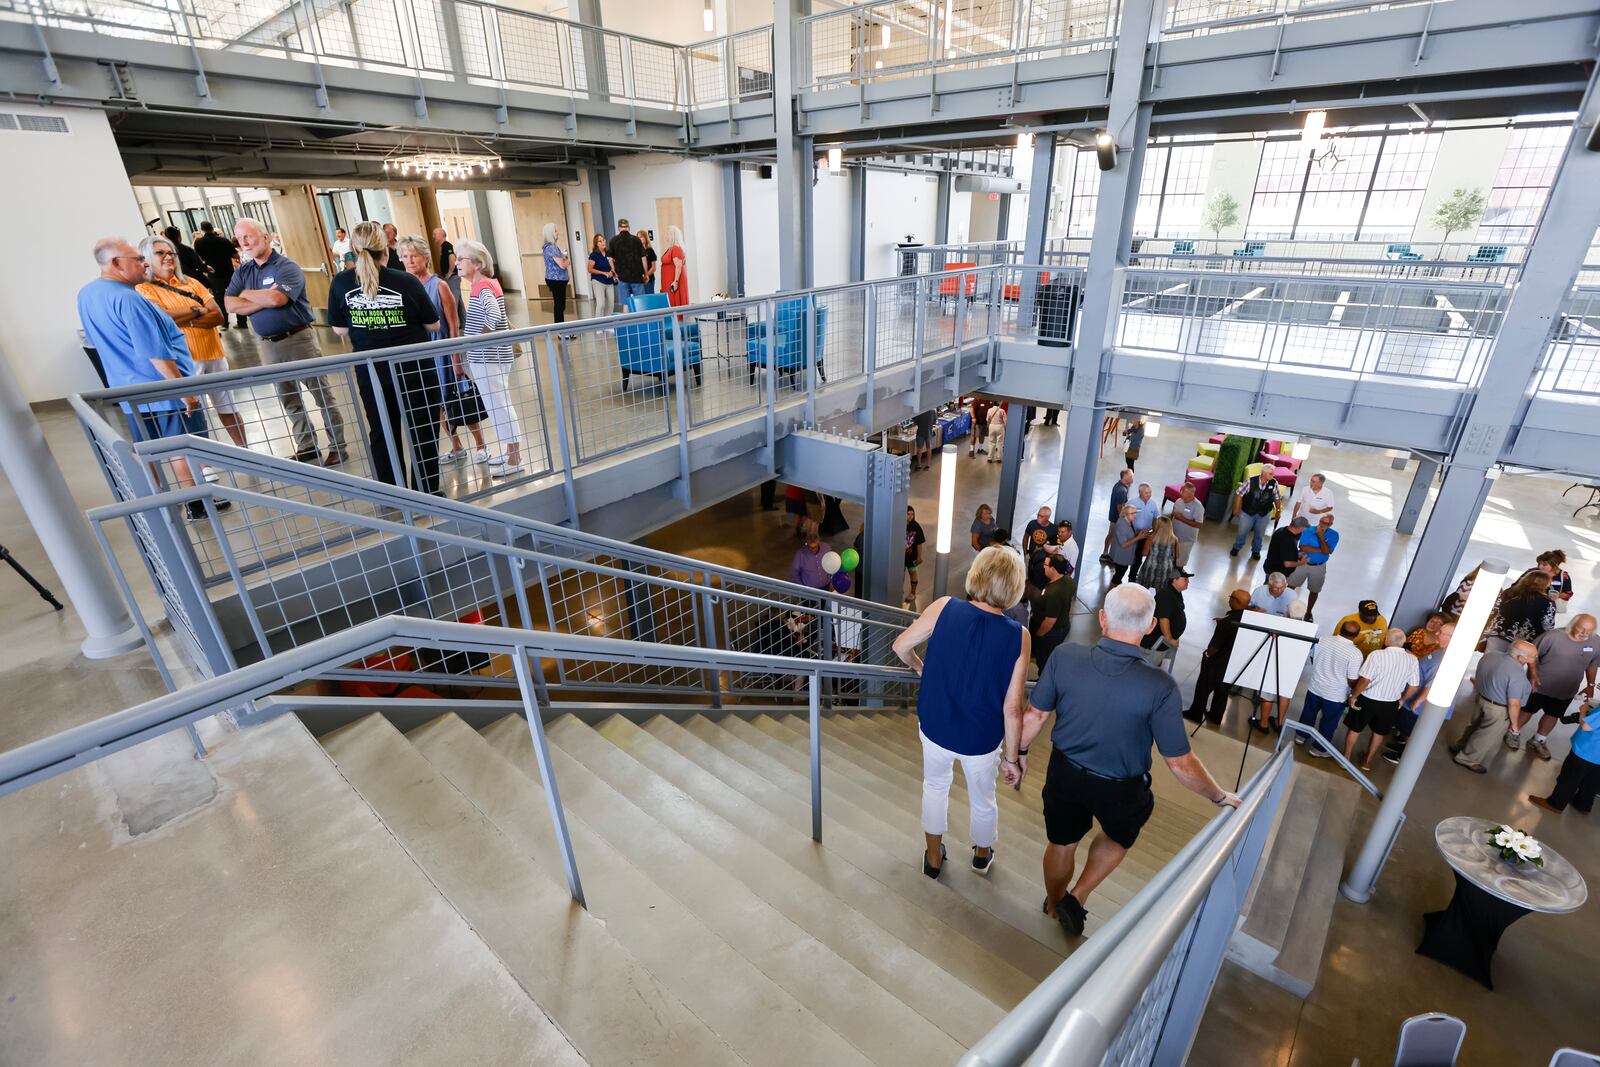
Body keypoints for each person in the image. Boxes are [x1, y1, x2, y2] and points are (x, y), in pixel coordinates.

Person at [1007, 584, 1241, 935]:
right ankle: (1079, 896)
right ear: (1149, 627)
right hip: (1120, 788)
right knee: (1118, 835)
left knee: (1061, 841)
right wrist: (1219, 796)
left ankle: (1054, 904)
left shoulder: (1065, 657)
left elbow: (1034, 717)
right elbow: (1179, 763)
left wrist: (1017, 756)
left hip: (1065, 773)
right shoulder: (1160, 686)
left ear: (1102, 618)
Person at [892, 546, 1030, 879]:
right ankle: (982, 856)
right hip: (981, 737)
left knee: (935, 787)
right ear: (1014, 588)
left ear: (976, 575)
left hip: (936, 722)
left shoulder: (944, 607)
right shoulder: (1019, 637)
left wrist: (921, 668)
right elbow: (1012, 709)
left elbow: (900, 646)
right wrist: (1013, 758)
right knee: (983, 797)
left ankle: (934, 857)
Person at [76, 237, 211, 510]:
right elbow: (156, 353)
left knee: (145, 450)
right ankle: (197, 505)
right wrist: (183, 392)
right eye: (137, 259)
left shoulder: (87, 295)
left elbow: (96, 341)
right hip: (163, 391)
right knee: (181, 449)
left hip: (130, 393)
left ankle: (158, 502)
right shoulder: (129, 300)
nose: (144, 263)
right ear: (115, 263)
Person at [325, 221, 443, 495]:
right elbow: (433, 325)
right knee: (422, 429)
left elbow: (339, 328)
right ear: (386, 250)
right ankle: (428, 492)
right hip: (413, 369)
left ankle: (392, 493)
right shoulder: (406, 281)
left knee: (381, 430)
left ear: (354, 248)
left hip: (371, 371)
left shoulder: (341, 283)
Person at [225, 217, 348, 466]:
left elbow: (278, 300)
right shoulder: (243, 271)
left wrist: (247, 295)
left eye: (248, 236)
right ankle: (307, 446)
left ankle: (338, 446)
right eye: (239, 239)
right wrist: (261, 298)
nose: (244, 243)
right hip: (268, 345)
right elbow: (229, 303)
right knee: (288, 398)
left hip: (298, 340)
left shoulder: (286, 267)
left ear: (265, 237)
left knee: (321, 395)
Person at [135, 234, 248, 451]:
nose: (168, 257)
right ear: (147, 258)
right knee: (192, 410)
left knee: (228, 406)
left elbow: (217, 316)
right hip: (184, 360)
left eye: (171, 253)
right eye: (160, 253)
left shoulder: (192, 282)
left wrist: (185, 320)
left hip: (214, 353)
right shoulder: (144, 289)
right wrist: (197, 310)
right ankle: (204, 464)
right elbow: (162, 319)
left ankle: (245, 450)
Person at [398, 235, 484, 467]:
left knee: (460, 399)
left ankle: (481, 445)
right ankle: (456, 445)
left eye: (414, 255)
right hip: (423, 353)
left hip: (444, 351)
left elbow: (453, 324)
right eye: (405, 256)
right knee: (437, 405)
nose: (409, 260)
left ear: (425, 257)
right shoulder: (406, 287)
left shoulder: (440, 286)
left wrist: (456, 359)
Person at [457, 239, 523, 478]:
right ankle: (510, 452)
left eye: (461, 259)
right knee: (500, 403)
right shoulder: (486, 284)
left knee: (499, 406)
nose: (457, 263)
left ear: (477, 263)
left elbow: (493, 316)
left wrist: (477, 339)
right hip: (494, 355)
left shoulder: (481, 287)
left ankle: (515, 459)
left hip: (489, 356)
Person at [1513, 614, 1600, 761]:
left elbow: (1593, 664)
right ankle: (1513, 733)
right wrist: (1532, 674)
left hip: (1565, 690)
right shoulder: (1552, 637)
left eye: (1589, 631)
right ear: (1573, 624)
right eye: (1581, 629)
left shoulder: (1596, 642)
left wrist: (1590, 685)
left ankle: (1539, 740)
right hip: (1539, 685)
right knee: (1526, 710)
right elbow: (1531, 655)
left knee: (1553, 714)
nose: (1584, 634)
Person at [1450, 641, 1536, 773]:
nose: (1534, 659)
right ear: (1520, 657)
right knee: (1486, 735)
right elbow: (1514, 703)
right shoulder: (1517, 675)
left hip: (1481, 698)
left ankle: (1459, 745)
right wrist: (1514, 725)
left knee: (1473, 725)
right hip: (1499, 709)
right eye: (1532, 657)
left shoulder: (1491, 656)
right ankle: (1467, 759)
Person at [1342, 629, 1419, 771]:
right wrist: (1402, 700)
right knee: (1379, 733)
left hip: (1368, 699)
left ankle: (1346, 758)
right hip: (1391, 703)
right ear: (1403, 642)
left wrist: (1353, 696)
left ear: (1386, 640)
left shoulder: (1377, 655)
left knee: (1355, 729)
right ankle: (1366, 762)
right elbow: (1414, 686)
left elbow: (1365, 680)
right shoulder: (1412, 659)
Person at [1383, 621, 1456, 764]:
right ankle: (1404, 746)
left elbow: (1435, 683)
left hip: (1422, 705)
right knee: (1407, 726)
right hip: (1415, 696)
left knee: (1415, 731)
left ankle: (1405, 757)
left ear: (1452, 637)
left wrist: (1419, 700)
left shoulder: (1450, 659)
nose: (1437, 633)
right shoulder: (1441, 650)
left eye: (1441, 632)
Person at [1296, 617, 1364, 755]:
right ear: (1357, 636)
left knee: (1308, 713)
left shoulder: (1323, 639)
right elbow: (1352, 680)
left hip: (1315, 687)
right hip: (1335, 695)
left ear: (1340, 629)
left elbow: (1313, 657)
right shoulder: (1355, 654)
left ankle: (1301, 736)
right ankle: (1318, 749)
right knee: (1328, 722)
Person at [1186, 589, 1252, 724]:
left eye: (1231, 597)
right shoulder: (1247, 619)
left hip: (1217, 663)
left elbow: (1214, 648)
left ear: (1236, 601)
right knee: (1222, 692)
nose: (1229, 599)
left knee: (1203, 688)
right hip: (1233, 663)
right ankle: (1216, 717)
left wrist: (1207, 654)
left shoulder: (1226, 623)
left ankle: (1195, 714)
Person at [1529, 701, 1600, 815]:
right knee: (1591, 781)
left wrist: (1583, 710)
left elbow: (1586, 726)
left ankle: (1556, 804)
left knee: (1569, 778)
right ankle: (1583, 805)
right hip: (1598, 757)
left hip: (1585, 750)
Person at [1484, 570, 1556, 653]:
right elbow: (1548, 626)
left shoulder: (1508, 592)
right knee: (1511, 664)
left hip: (1497, 634)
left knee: (1489, 660)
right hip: (1523, 641)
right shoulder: (1547, 602)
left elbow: (1493, 610)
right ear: (1545, 584)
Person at [1285, 512, 1338, 620]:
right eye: (1321, 522)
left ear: (1331, 524)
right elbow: (1303, 547)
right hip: (1302, 563)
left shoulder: (1334, 535)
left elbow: (1328, 551)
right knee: (1290, 586)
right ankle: (1285, 607)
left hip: (1319, 567)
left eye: (1326, 523)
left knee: (1314, 591)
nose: (1322, 525)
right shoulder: (1308, 530)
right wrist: (1323, 550)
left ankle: (1308, 612)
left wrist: (1320, 537)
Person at [1031, 552, 1075, 670]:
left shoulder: (1053, 593)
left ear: (1053, 569)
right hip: (1063, 625)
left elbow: (1050, 621)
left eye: (1045, 565)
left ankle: (1043, 680)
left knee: (1044, 660)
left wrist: (1039, 634)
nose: (1043, 567)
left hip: (1051, 633)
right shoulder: (1069, 581)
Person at [1141, 568, 1190, 668]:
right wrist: (1169, 639)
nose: (1188, 581)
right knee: (1146, 670)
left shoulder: (1175, 593)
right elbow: (1163, 619)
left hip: (1161, 644)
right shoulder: (1166, 595)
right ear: (1174, 580)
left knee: (1154, 668)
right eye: (1185, 579)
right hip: (1154, 645)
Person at [194, 221, 238, 328]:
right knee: (236, 296)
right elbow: (235, 255)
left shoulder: (199, 243)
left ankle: (224, 323)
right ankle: (242, 322)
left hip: (214, 275)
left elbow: (198, 258)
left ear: (202, 229)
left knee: (219, 299)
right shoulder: (223, 240)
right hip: (229, 273)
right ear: (212, 228)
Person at [1230, 467, 1279, 559]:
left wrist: (1278, 511)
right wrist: (1236, 509)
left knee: (1260, 534)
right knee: (1242, 532)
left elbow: (1277, 497)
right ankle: (1236, 547)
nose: (1273, 476)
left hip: (1264, 513)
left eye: (1273, 474)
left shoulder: (1274, 483)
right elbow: (1239, 494)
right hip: (1248, 512)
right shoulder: (1250, 481)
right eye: (1270, 474)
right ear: (1263, 473)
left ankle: (1256, 551)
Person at [610, 218, 647, 308]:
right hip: (637, 277)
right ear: (629, 227)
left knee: (625, 304)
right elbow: (644, 258)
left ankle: (627, 322)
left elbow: (610, 259)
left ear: (619, 228)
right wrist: (645, 274)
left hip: (622, 277)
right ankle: (642, 321)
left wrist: (615, 273)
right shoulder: (636, 240)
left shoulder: (613, 240)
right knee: (640, 302)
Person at [1100, 469, 1134, 563]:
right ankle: (1108, 555)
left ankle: (1106, 553)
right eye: (1131, 476)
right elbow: (1120, 508)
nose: (1132, 478)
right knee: (1114, 536)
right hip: (1117, 519)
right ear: (1125, 477)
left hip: (1113, 517)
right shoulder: (1122, 490)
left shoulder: (1119, 485)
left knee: (1111, 535)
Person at [540, 223, 571, 325]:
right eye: (556, 231)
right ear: (551, 233)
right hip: (556, 280)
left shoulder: (552, 247)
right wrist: (567, 261)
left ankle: (561, 329)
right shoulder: (551, 248)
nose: (558, 233)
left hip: (558, 280)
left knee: (560, 305)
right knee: (559, 305)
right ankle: (560, 331)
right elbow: (562, 264)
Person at [1262, 515, 1307, 585]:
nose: (1304, 530)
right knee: (1271, 592)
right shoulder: (1289, 541)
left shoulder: (1281, 530)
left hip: (1270, 567)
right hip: (1277, 575)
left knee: (1267, 589)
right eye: (1304, 528)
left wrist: (1295, 555)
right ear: (1300, 528)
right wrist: (1301, 563)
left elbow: (1281, 551)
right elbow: (1287, 564)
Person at [1136, 515, 1177, 592]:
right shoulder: (1174, 539)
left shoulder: (1151, 537)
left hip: (1151, 566)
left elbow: (1144, 553)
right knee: (1161, 591)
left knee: (1143, 589)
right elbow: (1176, 556)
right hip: (1166, 568)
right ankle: (1159, 602)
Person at [789, 519, 831, 590]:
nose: (812, 549)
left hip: (826, 586)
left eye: (814, 547)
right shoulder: (800, 554)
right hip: (809, 589)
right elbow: (794, 573)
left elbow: (832, 565)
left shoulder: (827, 549)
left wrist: (832, 582)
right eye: (809, 547)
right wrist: (802, 587)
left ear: (819, 542)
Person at [1128, 483, 1159, 580]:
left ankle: (1132, 576)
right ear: (1140, 492)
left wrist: (1154, 531)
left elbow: (1155, 518)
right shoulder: (1132, 503)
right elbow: (1125, 518)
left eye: (1150, 492)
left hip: (1145, 535)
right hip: (1132, 534)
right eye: (1146, 493)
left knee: (1138, 557)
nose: (1149, 494)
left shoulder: (1153, 504)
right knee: (1128, 555)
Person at [1170, 482, 1204, 567]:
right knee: (1170, 559)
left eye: (1184, 491)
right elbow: (1172, 514)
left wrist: (1181, 518)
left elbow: (1199, 524)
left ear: (1191, 493)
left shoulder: (1198, 506)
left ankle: (1177, 579)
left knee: (1179, 563)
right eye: (1181, 490)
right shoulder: (1179, 501)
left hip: (1185, 540)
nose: (1181, 493)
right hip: (1173, 537)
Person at [1107, 503, 1141, 587]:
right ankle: (1112, 589)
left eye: (1135, 513)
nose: (1135, 515)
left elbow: (1130, 534)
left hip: (1125, 555)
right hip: (1121, 555)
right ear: (1125, 514)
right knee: (1119, 574)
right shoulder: (1122, 525)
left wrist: (1138, 533)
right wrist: (1139, 537)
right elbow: (1124, 544)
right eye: (1132, 513)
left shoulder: (1129, 521)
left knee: (1120, 572)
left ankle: (1116, 586)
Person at [587, 234, 617, 317]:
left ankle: (609, 324)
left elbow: (613, 265)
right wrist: (603, 273)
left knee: (611, 303)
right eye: (600, 241)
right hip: (598, 281)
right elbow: (590, 269)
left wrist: (612, 272)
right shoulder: (594, 255)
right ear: (597, 244)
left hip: (609, 281)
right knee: (601, 304)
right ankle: (598, 325)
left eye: (604, 240)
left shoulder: (609, 253)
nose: (603, 242)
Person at [660, 225, 689, 309]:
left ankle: (678, 321)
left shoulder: (676, 248)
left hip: (674, 281)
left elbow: (678, 266)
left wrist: (675, 282)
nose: (665, 235)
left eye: (667, 233)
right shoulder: (671, 248)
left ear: (672, 235)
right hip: (668, 280)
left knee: (675, 304)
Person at [905, 505, 927, 607]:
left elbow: (919, 543)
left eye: (912, 514)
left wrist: (919, 557)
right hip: (899, 557)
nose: (910, 516)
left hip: (911, 556)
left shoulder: (916, 527)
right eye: (908, 514)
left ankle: (913, 593)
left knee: (913, 573)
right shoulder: (899, 524)